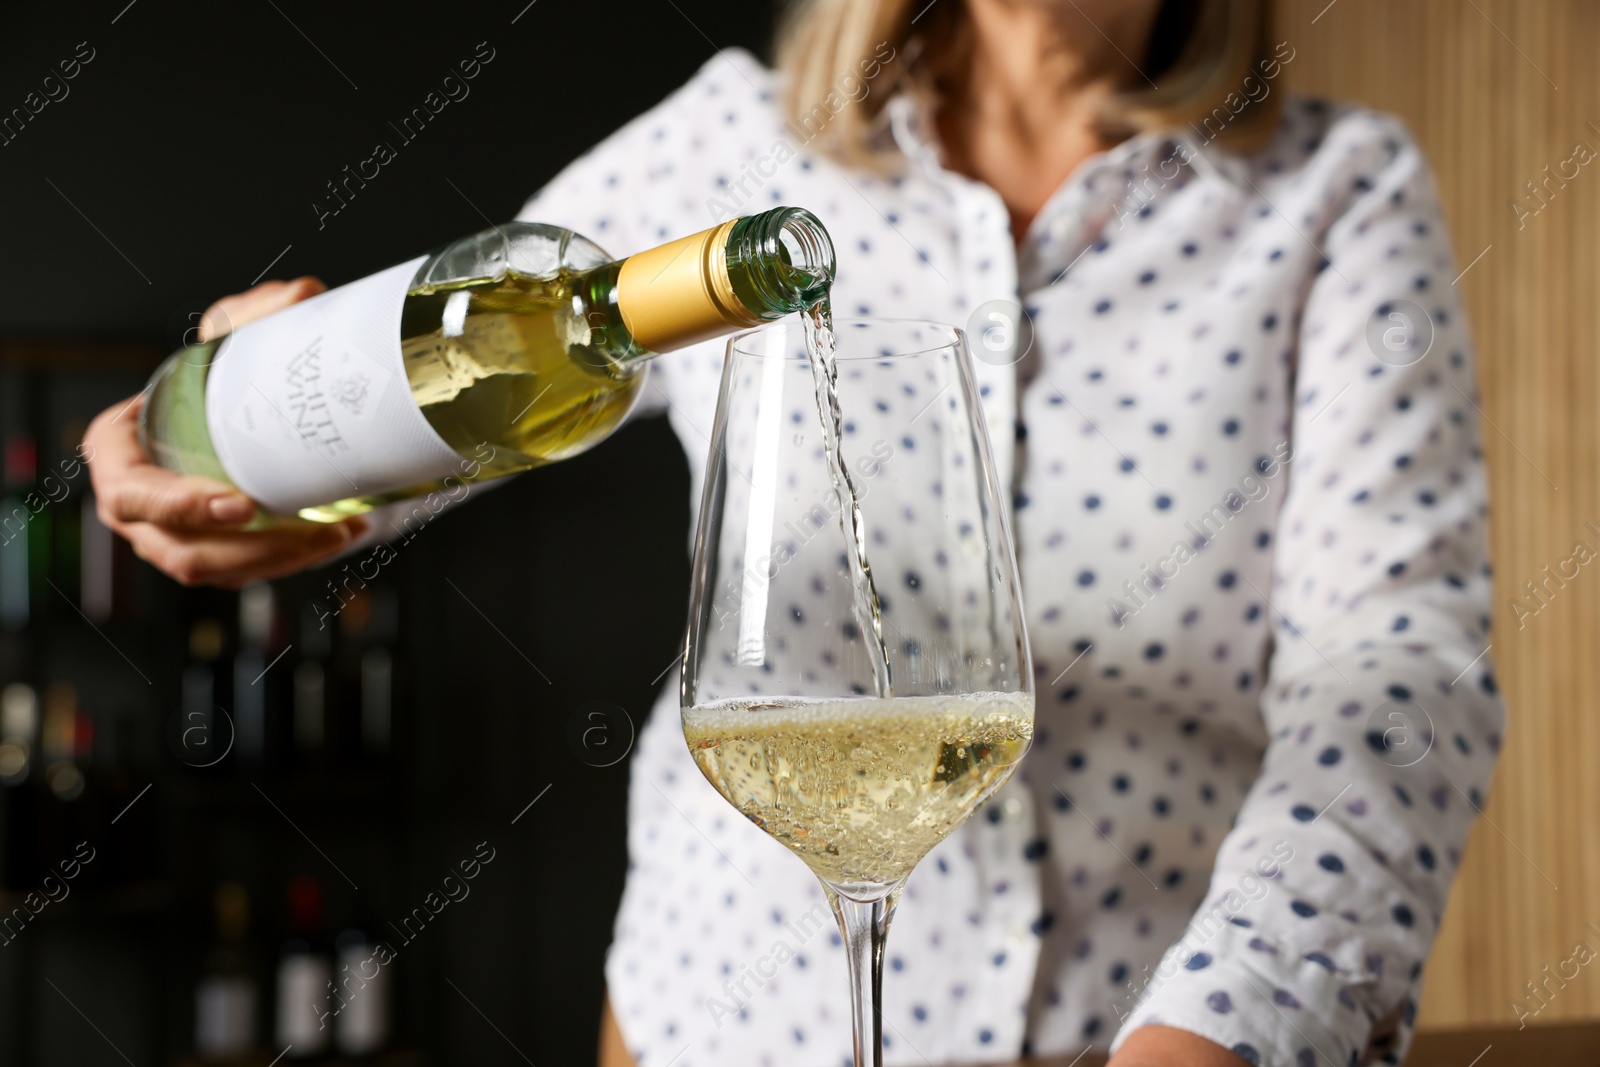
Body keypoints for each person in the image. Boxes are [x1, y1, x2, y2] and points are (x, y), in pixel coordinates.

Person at [85, 0, 1505, 1064]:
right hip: (719, 1021)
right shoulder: (730, 148)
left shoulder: (1335, 195)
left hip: (1150, 1027)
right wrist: (255, 468)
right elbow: (449, 405)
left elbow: (1397, 666)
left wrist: (1220, 1033)